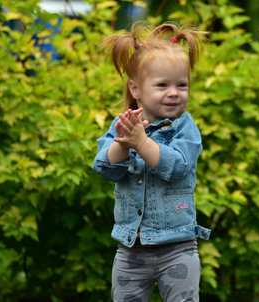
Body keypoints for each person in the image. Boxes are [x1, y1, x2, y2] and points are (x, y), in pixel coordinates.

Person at [93, 22, 210, 302]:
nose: (174, 92)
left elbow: (178, 166)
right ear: (136, 88)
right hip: (130, 248)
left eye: (182, 85)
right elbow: (104, 166)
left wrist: (143, 143)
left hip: (177, 247)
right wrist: (125, 145)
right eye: (162, 85)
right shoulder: (125, 124)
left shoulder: (185, 127)